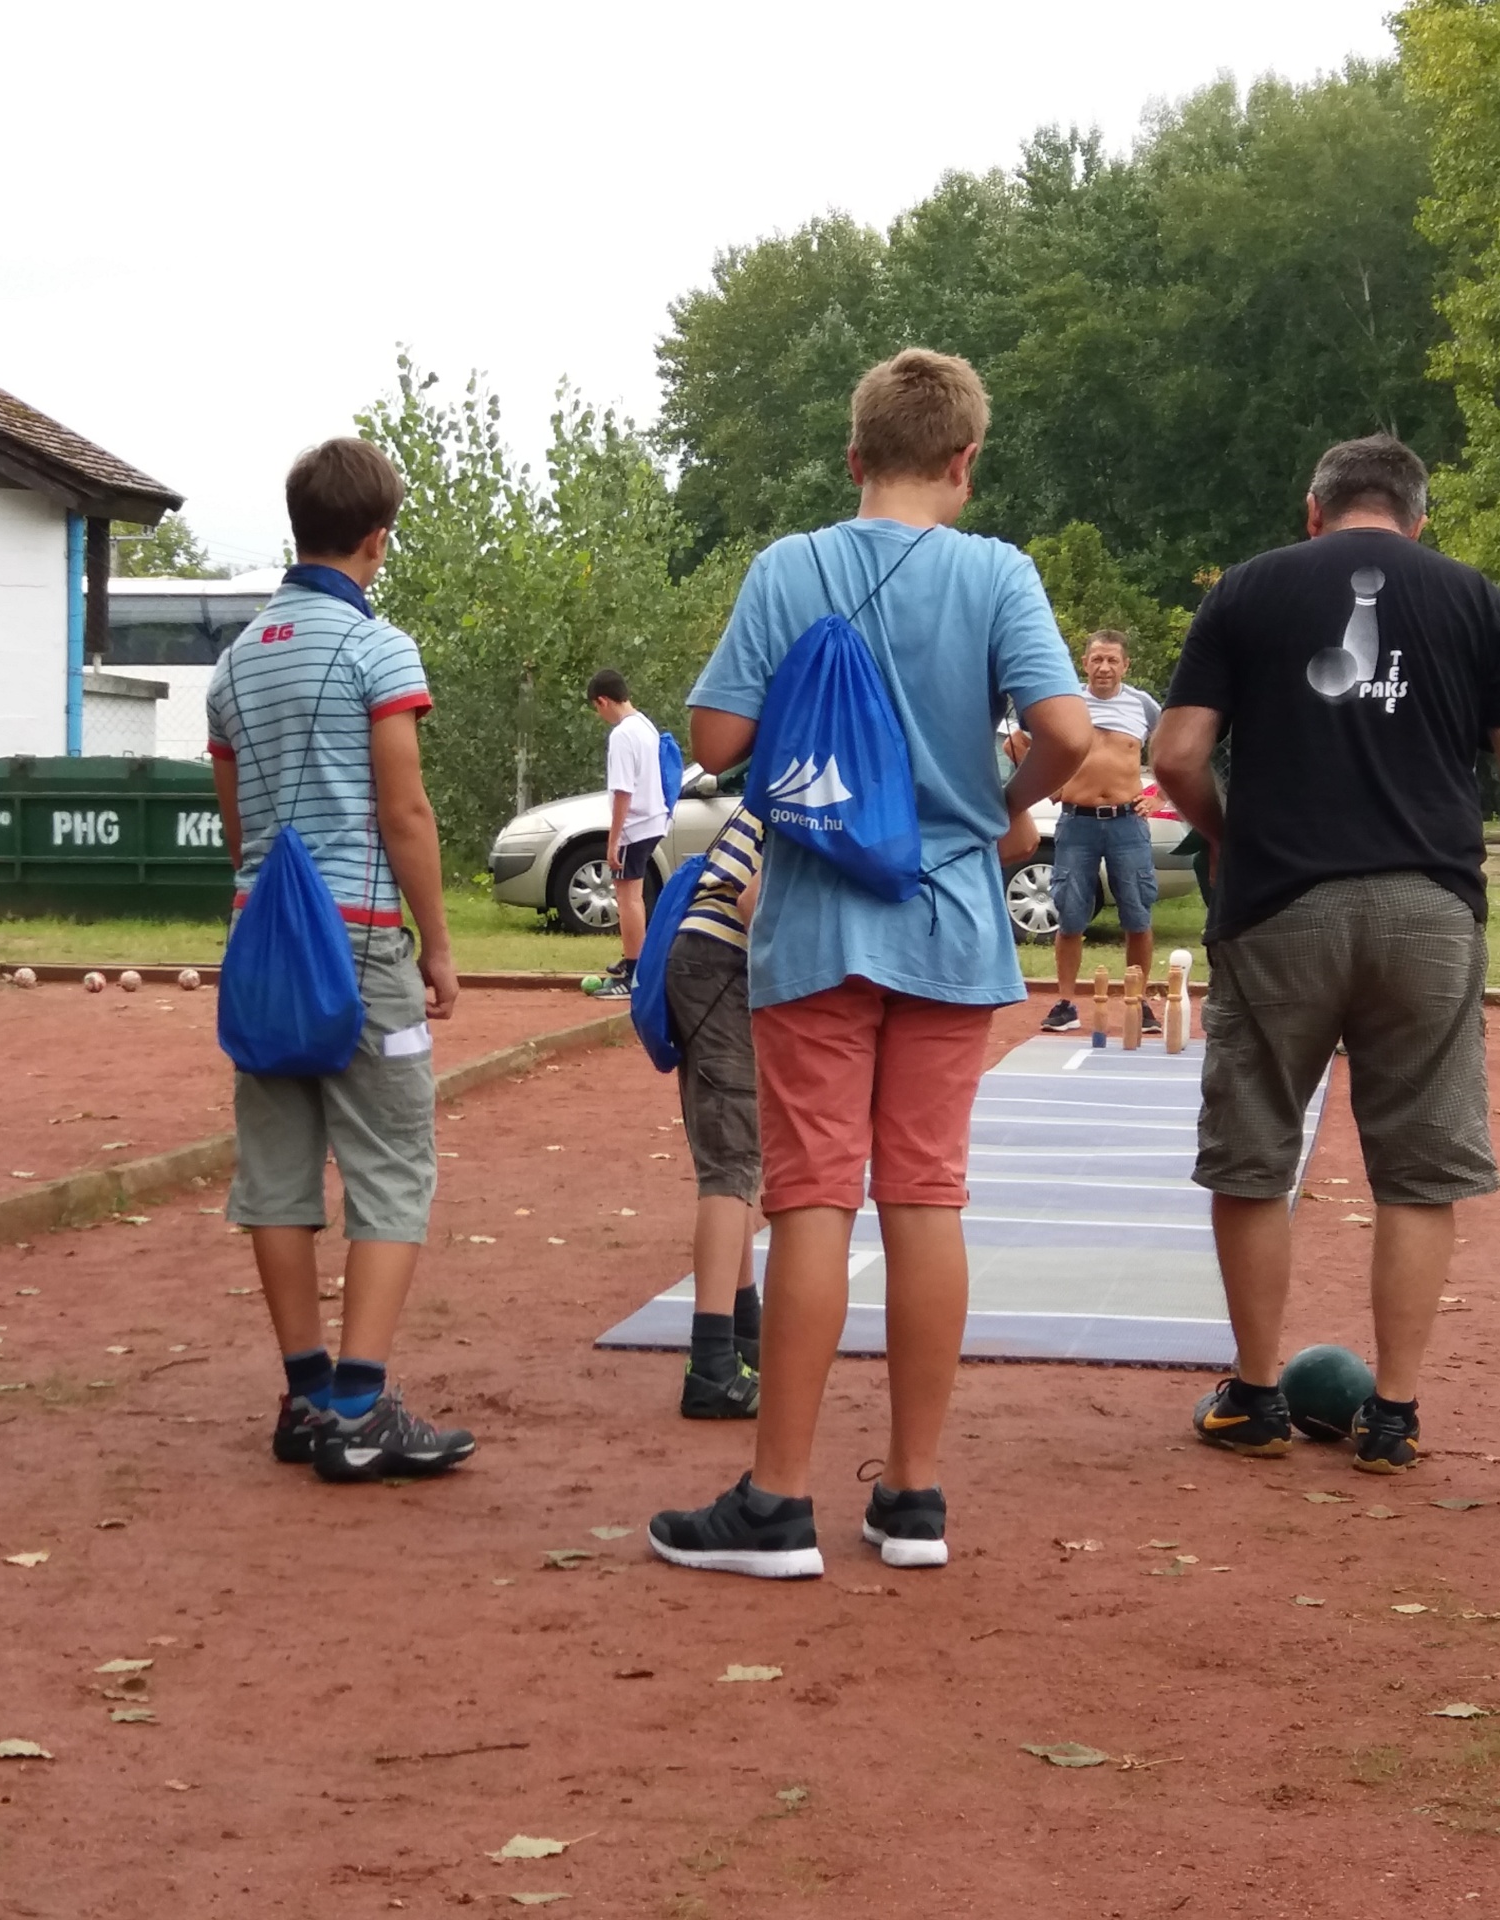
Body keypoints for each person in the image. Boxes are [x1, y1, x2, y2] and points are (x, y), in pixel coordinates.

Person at [648, 349, 1091, 1578]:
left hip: (817, 924)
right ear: (964, 461)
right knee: (926, 1196)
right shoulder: (998, 573)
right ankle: (912, 1498)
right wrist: (1001, 808)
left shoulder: (789, 567)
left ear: (853, 457)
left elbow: (717, 738)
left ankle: (777, 1502)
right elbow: (1066, 732)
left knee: (810, 1198)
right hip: (951, 920)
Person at [1150, 433, 1500, 1475]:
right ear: (1417, 521)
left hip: (1278, 907)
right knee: (1418, 1170)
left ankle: (1254, 1399)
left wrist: (1231, 834)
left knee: (1255, 1150)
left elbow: (1176, 755)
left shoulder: (1246, 591)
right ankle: (1392, 1416)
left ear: (1314, 512)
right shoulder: (1476, 601)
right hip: (1430, 907)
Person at [206, 435, 475, 1485]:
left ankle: (306, 1395)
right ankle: (363, 1411)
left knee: (275, 1173)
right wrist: (437, 944)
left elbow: (238, 828)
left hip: (261, 943)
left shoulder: (234, 664)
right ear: (377, 538)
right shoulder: (379, 650)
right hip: (359, 940)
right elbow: (404, 810)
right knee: (394, 1163)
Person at [665, 801, 766, 1420]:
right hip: (723, 964)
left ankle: (745, 1333)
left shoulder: (792, 770)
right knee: (732, 1165)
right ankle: (711, 1366)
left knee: (740, 1159)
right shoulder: (818, 782)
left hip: (704, 959)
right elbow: (756, 903)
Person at [1012, 631, 1164, 1035]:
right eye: (1097, 659)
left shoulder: (1143, 705)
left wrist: (1160, 798)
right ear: (1084, 663)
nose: (1104, 668)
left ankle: (1139, 1002)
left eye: (1112, 660)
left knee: (1137, 915)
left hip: (1127, 823)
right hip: (1076, 822)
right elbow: (1018, 741)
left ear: (1125, 665)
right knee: (1070, 915)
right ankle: (1065, 1003)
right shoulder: (1070, 704)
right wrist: (1048, 784)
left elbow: (1171, 748)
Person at [582, 669, 671, 1000]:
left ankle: (634, 975)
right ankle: (637, 961)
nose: (599, 714)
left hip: (635, 826)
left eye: (597, 707)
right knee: (632, 896)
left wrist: (614, 839)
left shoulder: (622, 735)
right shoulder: (645, 725)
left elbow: (623, 791)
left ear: (603, 701)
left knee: (627, 898)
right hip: (653, 819)